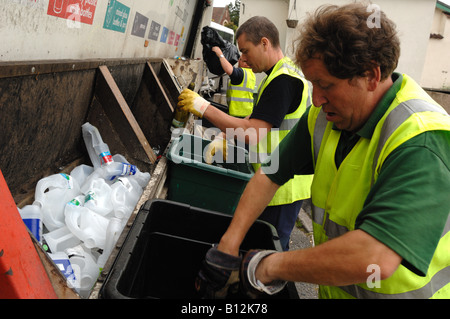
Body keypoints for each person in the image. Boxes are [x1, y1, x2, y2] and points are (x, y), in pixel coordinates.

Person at [194, 3, 450, 299]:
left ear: (370, 75)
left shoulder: (420, 139)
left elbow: (375, 257)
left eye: (325, 85)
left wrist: (265, 266)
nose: (315, 100)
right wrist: (228, 245)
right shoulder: (325, 116)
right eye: (313, 83)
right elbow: (270, 174)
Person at [178, 16, 313, 252]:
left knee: (268, 253)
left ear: (264, 43)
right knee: (262, 248)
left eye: (246, 51)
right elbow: (255, 122)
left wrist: (203, 107)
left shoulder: (282, 81)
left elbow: (252, 133)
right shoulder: (279, 75)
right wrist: (225, 136)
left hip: (283, 187)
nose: (243, 58)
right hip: (276, 178)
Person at [212, 46, 256, 118]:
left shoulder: (242, 73)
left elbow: (229, 70)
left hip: (237, 114)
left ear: (246, 63)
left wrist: (220, 54)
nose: (238, 61)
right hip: (246, 113)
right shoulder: (251, 74)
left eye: (240, 60)